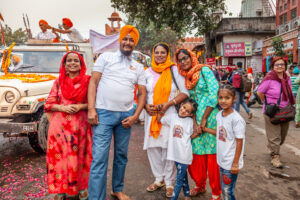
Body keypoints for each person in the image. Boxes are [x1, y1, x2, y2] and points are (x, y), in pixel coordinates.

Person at [87, 25, 146, 200]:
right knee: (99, 158)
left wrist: (135, 116)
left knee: (121, 156)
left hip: (126, 116)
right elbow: (93, 82)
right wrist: (91, 109)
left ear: (135, 44)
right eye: (125, 39)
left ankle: (117, 190)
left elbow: (142, 93)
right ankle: (95, 197)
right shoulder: (106, 57)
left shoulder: (138, 66)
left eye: (132, 40)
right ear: (119, 40)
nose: (128, 43)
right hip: (103, 115)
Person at [44, 51, 92, 200]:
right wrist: (63, 108)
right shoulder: (58, 81)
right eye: (69, 60)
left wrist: (80, 107)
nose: (72, 63)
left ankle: (82, 188)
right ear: (64, 65)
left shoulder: (88, 81)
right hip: (60, 128)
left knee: (81, 157)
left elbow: (94, 103)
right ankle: (60, 189)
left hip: (81, 127)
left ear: (81, 64)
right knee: (60, 159)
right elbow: (49, 104)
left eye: (76, 61)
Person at [144, 42, 189, 198]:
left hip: (169, 114)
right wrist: (145, 106)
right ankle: (159, 179)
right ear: (153, 54)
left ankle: (170, 182)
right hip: (151, 116)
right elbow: (141, 94)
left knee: (168, 148)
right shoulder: (147, 72)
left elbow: (185, 93)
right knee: (153, 149)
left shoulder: (174, 70)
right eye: (157, 52)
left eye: (163, 52)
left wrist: (168, 104)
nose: (160, 55)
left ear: (168, 54)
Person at [175, 48, 221, 200]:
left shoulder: (204, 71)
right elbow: (191, 102)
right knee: (196, 155)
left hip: (211, 116)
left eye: (186, 58)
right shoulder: (185, 77)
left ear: (192, 57)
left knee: (211, 155)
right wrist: (195, 121)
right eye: (180, 60)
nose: (183, 61)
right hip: (194, 118)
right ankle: (200, 185)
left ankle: (216, 192)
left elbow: (215, 93)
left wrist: (204, 119)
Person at [257, 57, 295, 168]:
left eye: (282, 64)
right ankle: (275, 156)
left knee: (282, 135)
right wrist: (267, 103)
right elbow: (260, 92)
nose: (280, 66)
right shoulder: (269, 78)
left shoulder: (287, 78)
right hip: (272, 112)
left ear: (285, 66)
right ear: (273, 67)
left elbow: (289, 93)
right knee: (275, 136)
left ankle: (272, 147)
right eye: (277, 64)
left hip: (285, 111)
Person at [157, 99, 197, 200]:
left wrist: (197, 129)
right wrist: (160, 111)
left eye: (187, 111)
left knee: (178, 180)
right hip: (175, 154)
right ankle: (187, 195)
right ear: (182, 105)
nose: (183, 111)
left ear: (190, 114)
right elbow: (159, 120)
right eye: (184, 107)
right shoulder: (172, 117)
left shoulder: (190, 121)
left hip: (184, 154)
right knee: (183, 176)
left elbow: (190, 136)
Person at [214, 84, 246, 200]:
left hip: (231, 162)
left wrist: (235, 163)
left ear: (234, 99)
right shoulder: (219, 115)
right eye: (220, 97)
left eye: (227, 98)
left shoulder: (236, 119)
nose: (223, 101)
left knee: (227, 192)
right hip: (222, 160)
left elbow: (239, 141)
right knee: (225, 190)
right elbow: (221, 134)